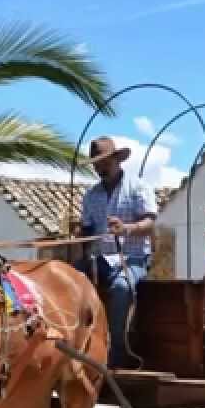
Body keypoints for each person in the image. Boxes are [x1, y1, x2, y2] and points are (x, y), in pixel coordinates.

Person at [74, 136, 158, 368]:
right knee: (67, 278)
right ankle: (75, 344)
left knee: (121, 288)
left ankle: (117, 353)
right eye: (96, 164)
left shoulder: (138, 187)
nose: (100, 168)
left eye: (104, 162)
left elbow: (149, 223)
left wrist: (127, 228)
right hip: (99, 260)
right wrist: (80, 233)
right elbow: (88, 228)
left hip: (133, 259)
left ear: (116, 159)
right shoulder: (92, 195)